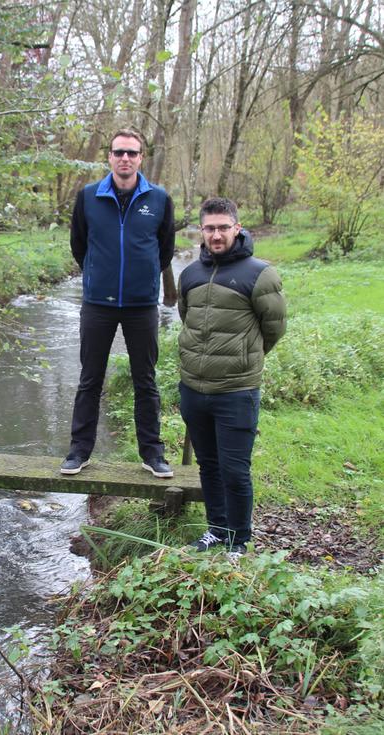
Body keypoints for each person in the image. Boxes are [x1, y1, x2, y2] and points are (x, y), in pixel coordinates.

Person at [61, 128, 175, 478]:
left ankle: (152, 454)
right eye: (118, 152)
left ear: (141, 158)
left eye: (132, 153)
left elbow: (165, 250)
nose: (125, 158)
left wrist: (141, 280)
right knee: (90, 378)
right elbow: (79, 245)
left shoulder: (158, 199)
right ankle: (79, 452)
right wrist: (100, 276)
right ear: (109, 157)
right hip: (98, 303)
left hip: (142, 306)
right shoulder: (89, 196)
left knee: (146, 380)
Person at [178, 197, 286, 556]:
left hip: (237, 391)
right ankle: (217, 529)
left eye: (224, 227)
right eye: (210, 228)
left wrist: (242, 360)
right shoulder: (190, 274)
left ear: (237, 228)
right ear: (202, 231)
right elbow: (187, 318)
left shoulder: (260, 273)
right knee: (208, 466)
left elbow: (273, 329)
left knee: (235, 470)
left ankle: (238, 540)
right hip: (193, 388)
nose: (217, 234)